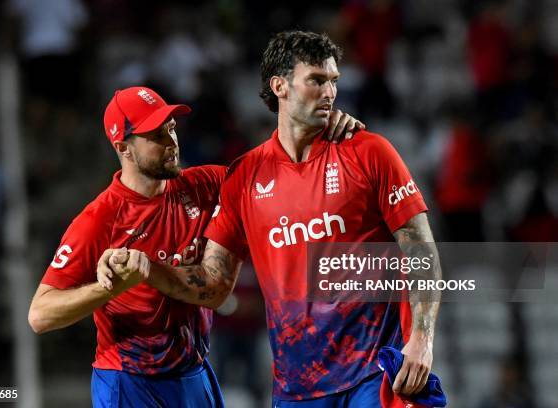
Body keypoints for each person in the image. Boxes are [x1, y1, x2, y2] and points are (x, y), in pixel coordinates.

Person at [99, 31, 441, 407]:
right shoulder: (245, 177)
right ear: (279, 86)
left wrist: (421, 341)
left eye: (333, 82)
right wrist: (149, 269)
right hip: (298, 389)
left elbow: (420, 248)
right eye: (316, 80)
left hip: (374, 377)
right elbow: (213, 285)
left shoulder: (369, 152)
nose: (329, 93)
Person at [29, 85, 363, 407]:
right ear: (123, 147)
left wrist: (321, 133)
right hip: (130, 380)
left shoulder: (204, 185)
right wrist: (110, 288)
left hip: (194, 372)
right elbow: (40, 315)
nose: (171, 142)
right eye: (156, 135)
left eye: (171, 128)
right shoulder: (99, 220)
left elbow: (277, 172)